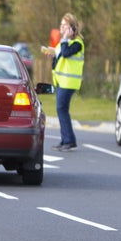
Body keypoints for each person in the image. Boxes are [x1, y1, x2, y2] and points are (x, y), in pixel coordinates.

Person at [45, 13, 85, 151]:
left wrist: (65, 39)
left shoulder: (77, 43)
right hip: (62, 81)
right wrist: (52, 52)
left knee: (61, 109)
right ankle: (65, 140)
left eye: (64, 25)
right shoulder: (65, 42)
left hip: (69, 82)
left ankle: (69, 140)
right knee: (62, 109)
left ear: (72, 28)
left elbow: (67, 53)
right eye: (61, 25)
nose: (61, 27)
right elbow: (60, 55)